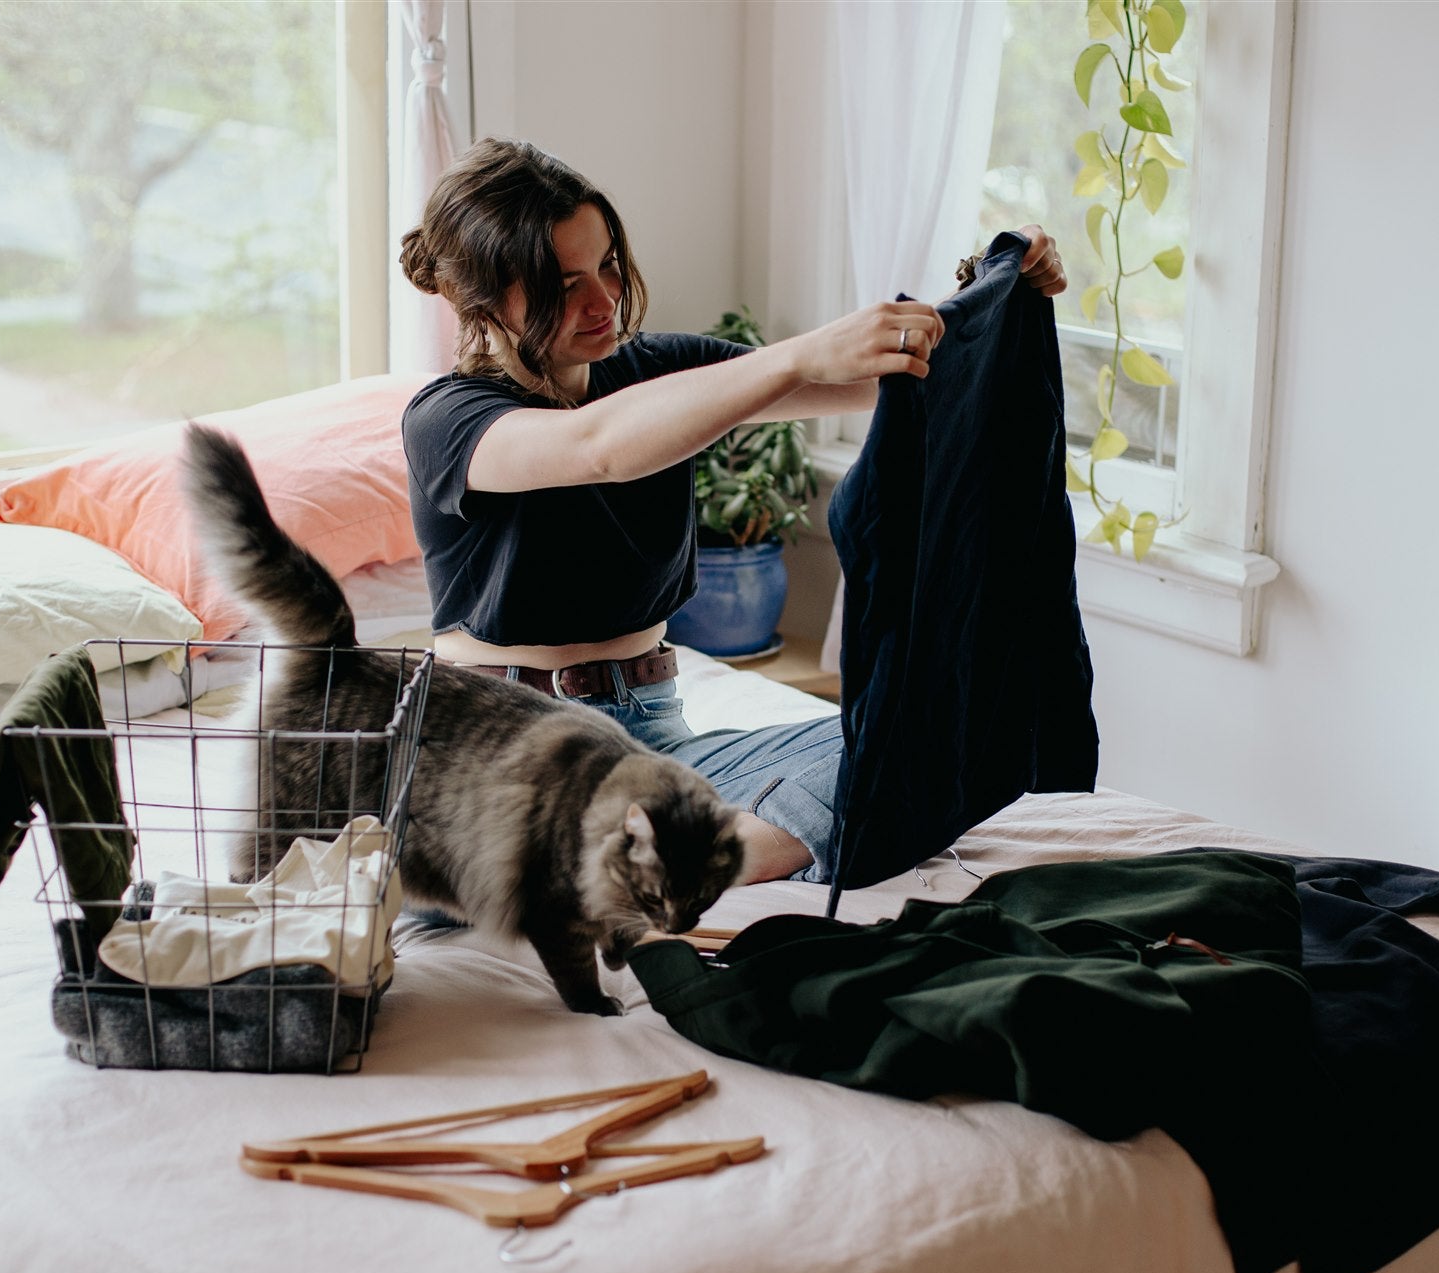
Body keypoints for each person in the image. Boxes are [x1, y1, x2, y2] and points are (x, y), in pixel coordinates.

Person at [399, 138, 1066, 885]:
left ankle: (665, 860)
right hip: (503, 746)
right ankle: (663, 858)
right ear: (475, 297)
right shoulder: (446, 419)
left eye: (609, 265)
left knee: (921, 740)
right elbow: (598, 447)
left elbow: (886, 380)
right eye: (563, 285)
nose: (604, 301)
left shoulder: (656, 370)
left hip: (653, 739)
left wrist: (994, 285)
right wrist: (793, 356)